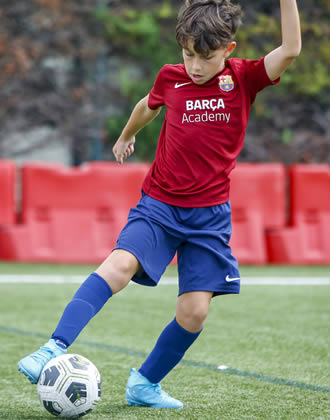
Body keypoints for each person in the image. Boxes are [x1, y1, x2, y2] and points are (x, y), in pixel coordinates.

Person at [18, 0, 301, 409]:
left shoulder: (245, 79)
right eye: (188, 55)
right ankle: (52, 347)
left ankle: (144, 384)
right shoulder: (171, 78)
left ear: (229, 49)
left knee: (194, 314)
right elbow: (147, 105)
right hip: (159, 205)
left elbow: (290, 49)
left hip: (209, 219)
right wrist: (125, 135)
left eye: (205, 58)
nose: (195, 66)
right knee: (118, 264)